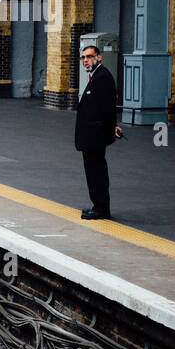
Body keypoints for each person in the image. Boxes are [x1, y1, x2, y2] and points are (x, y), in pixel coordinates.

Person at [75, 44, 123, 220]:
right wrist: (113, 126)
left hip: (95, 136)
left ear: (99, 57)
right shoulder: (96, 76)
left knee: (97, 173)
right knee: (93, 171)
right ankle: (98, 205)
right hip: (92, 136)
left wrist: (110, 127)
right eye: (84, 58)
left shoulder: (102, 77)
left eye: (89, 57)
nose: (86, 60)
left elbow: (107, 108)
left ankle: (101, 209)